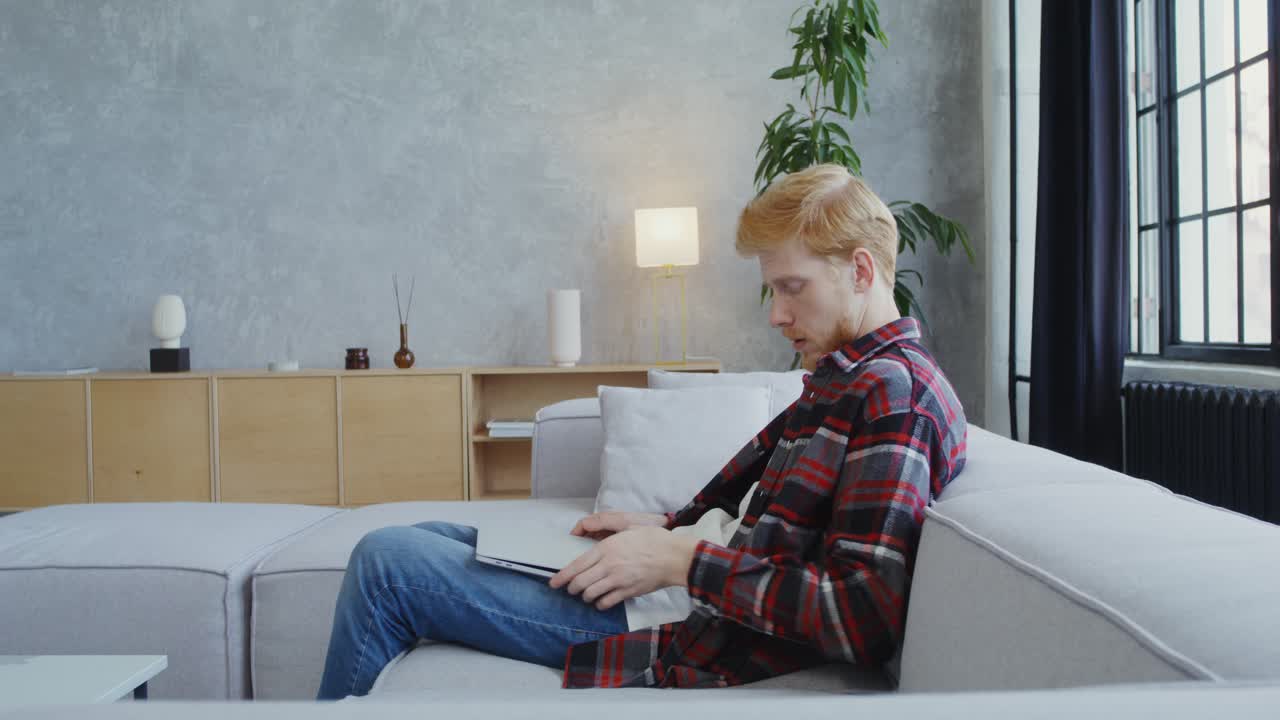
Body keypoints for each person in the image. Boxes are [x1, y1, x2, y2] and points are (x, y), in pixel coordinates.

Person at [315, 163, 968, 698]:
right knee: (430, 536)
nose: (776, 314)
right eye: (773, 290)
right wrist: (661, 529)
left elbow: (862, 612)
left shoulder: (894, 397)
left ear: (859, 270)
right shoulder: (846, 375)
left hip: (693, 618)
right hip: (681, 581)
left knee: (386, 564)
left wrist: (679, 559)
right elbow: (747, 513)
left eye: (792, 287)